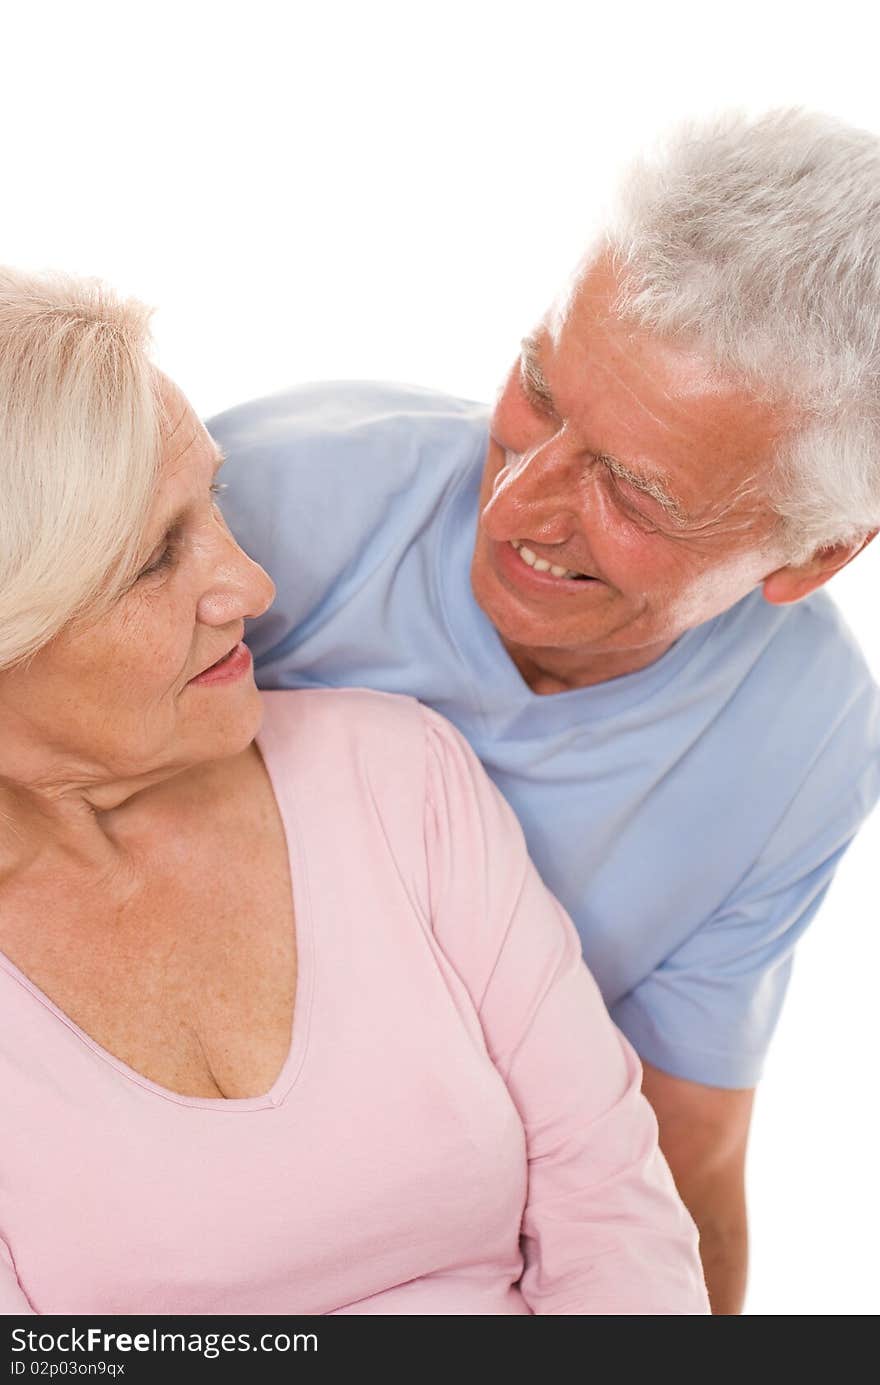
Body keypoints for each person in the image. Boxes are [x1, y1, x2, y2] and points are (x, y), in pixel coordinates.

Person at [208, 107, 880, 1315]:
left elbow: (684, 1160)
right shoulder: (268, 504)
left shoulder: (809, 738)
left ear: (811, 556)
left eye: (635, 488)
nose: (516, 500)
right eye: (536, 385)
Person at [0, 266, 710, 1316]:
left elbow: (611, 1204)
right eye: (155, 558)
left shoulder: (395, 774)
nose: (250, 583)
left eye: (214, 499)